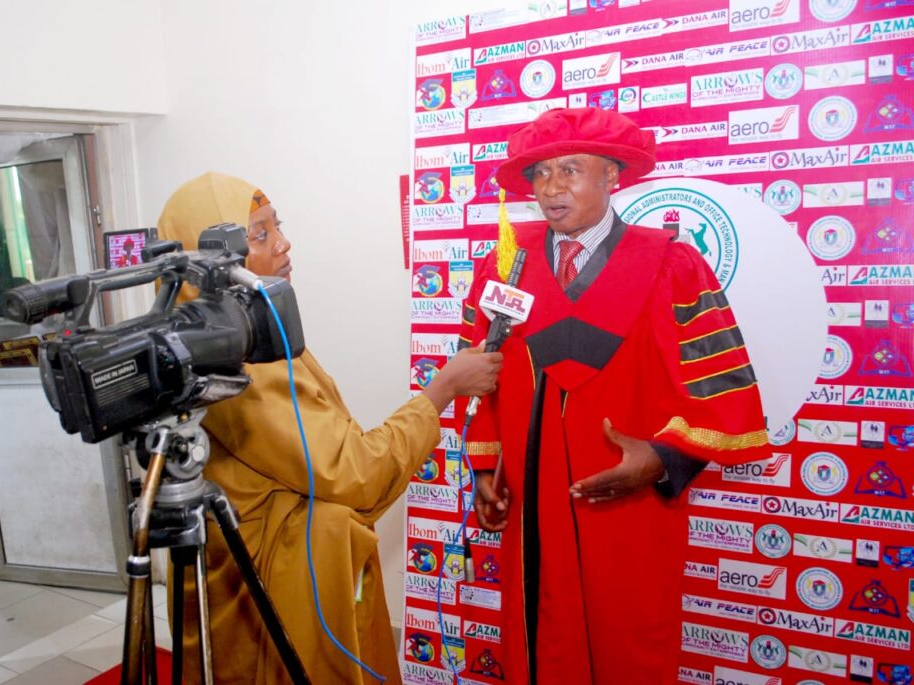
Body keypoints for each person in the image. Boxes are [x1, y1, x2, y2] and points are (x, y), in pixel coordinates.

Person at [457, 108, 769, 685]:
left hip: (628, 507)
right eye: (542, 173)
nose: (552, 188)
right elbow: (481, 377)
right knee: (537, 634)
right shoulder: (506, 263)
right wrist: (485, 469)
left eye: (571, 170)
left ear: (613, 177)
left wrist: (664, 458)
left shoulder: (671, 266)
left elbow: (724, 393)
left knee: (629, 641)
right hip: (533, 503)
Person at [156, 172, 502, 684]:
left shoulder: (241, 330)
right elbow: (352, 473)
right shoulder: (229, 361)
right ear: (209, 262)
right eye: (260, 234)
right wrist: (441, 392)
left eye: (278, 226)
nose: (283, 243)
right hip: (271, 585)